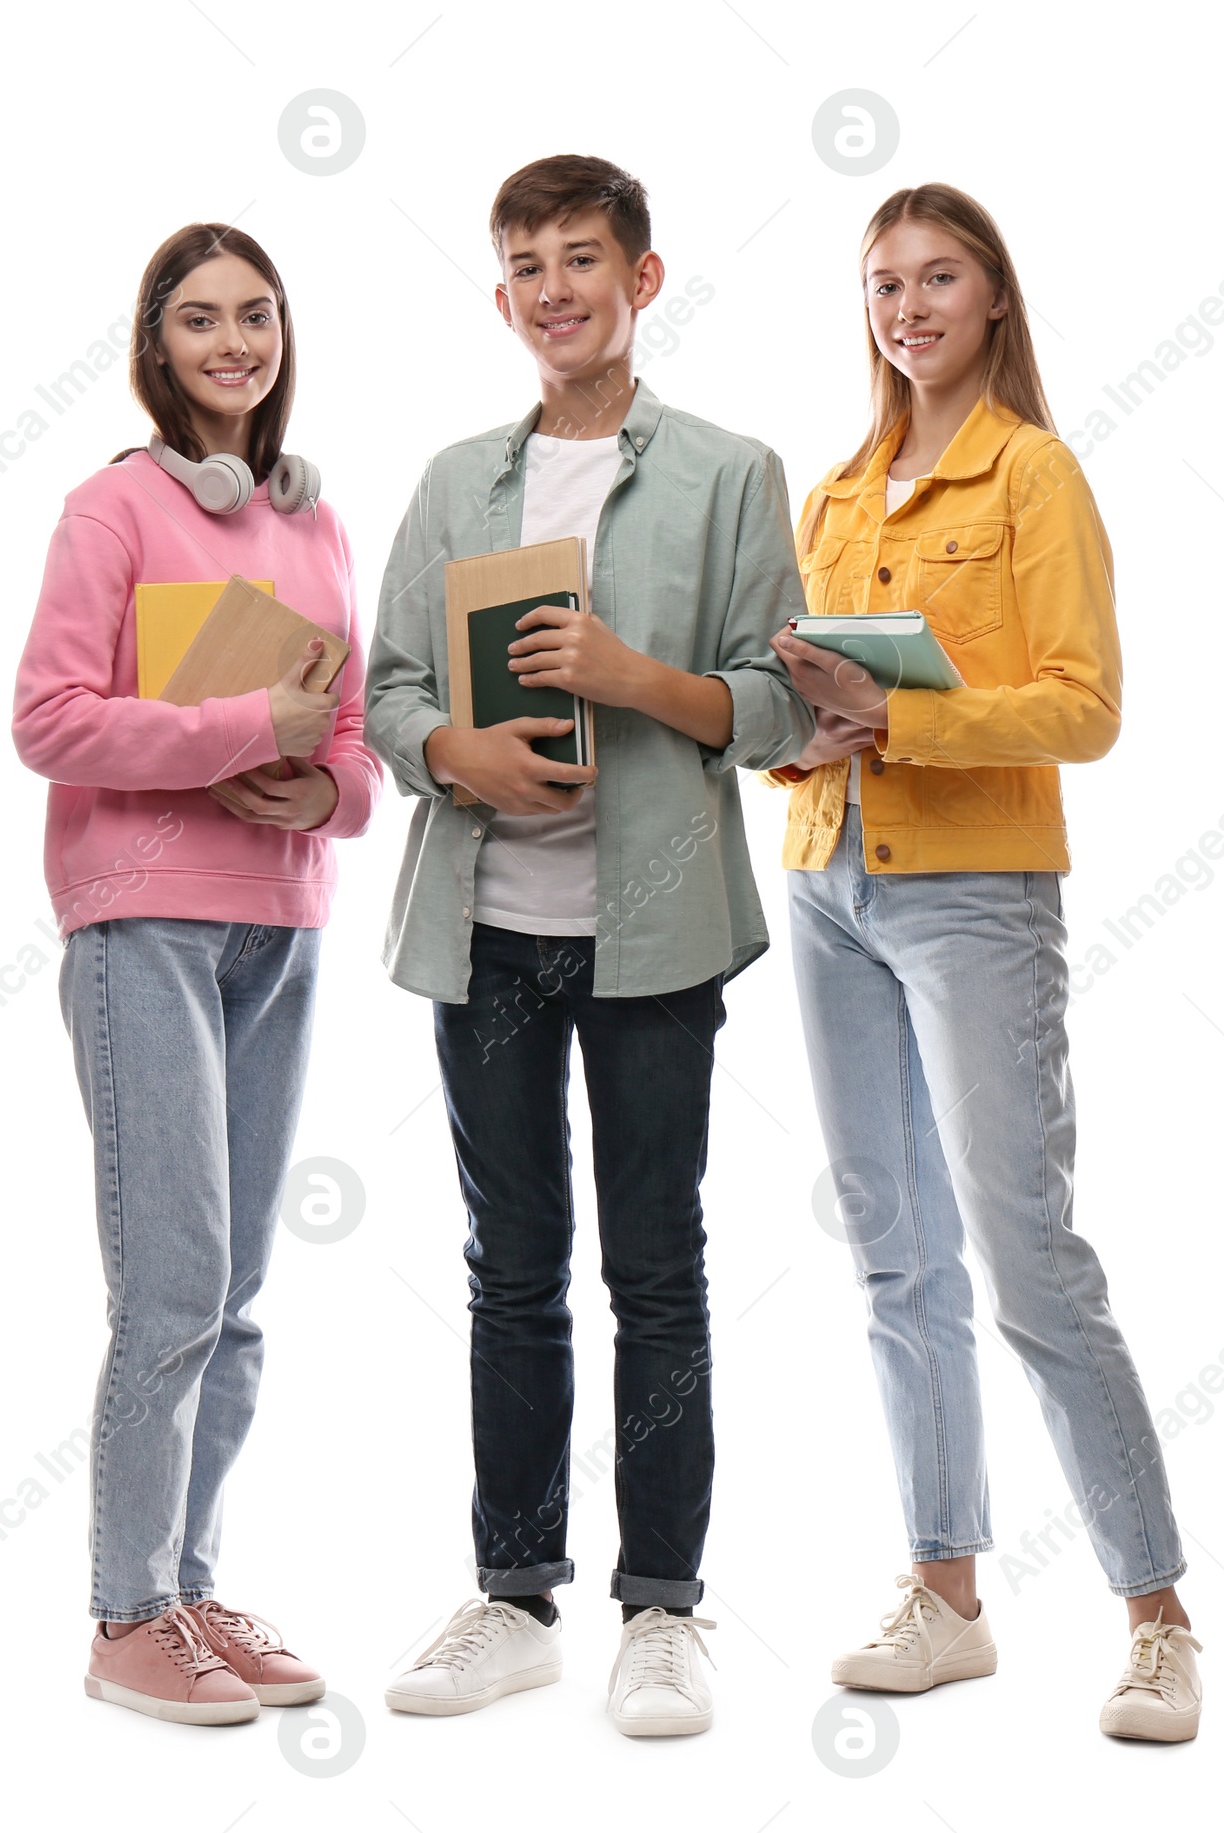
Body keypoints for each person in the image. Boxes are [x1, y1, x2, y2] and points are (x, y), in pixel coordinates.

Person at [364, 154, 811, 1737]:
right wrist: (449, 759)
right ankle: (511, 1593)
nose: (556, 288)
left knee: (660, 1271)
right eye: (527, 266)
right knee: (509, 1273)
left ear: (644, 278)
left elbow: (774, 707)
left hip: (656, 936)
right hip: (486, 930)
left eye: (582, 259)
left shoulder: (728, 472)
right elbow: (389, 687)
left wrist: (632, 676)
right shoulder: (448, 482)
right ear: (503, 299)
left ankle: (666, 1609)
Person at [769, 182, 1203, 1742]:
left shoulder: (1034, 475)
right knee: (896, 1253)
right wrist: (798, 724)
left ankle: (1158, 1619)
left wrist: (909, 717)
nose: (909, 306)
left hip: (975, 895)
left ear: (995, 298)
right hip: (829, 880)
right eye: (885, 282)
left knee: (1028, 1259)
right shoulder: (831, 493)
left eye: (939, 276)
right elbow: (800, 709)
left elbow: (1085, 705)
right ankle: (945, 1597)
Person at [12, 222, 380, 1725]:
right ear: (156, 347)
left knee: (233, 1297)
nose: (234, 343)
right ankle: (124, 1617)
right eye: (202, 320)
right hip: (144, 921)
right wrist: (240, 731)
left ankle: (190, 1580)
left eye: (257, 317)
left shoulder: (317, 522)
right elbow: (49, 719)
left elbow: (350, 742)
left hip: (280, 925)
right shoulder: (113, 509)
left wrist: (326, 797)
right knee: (168, 1286)